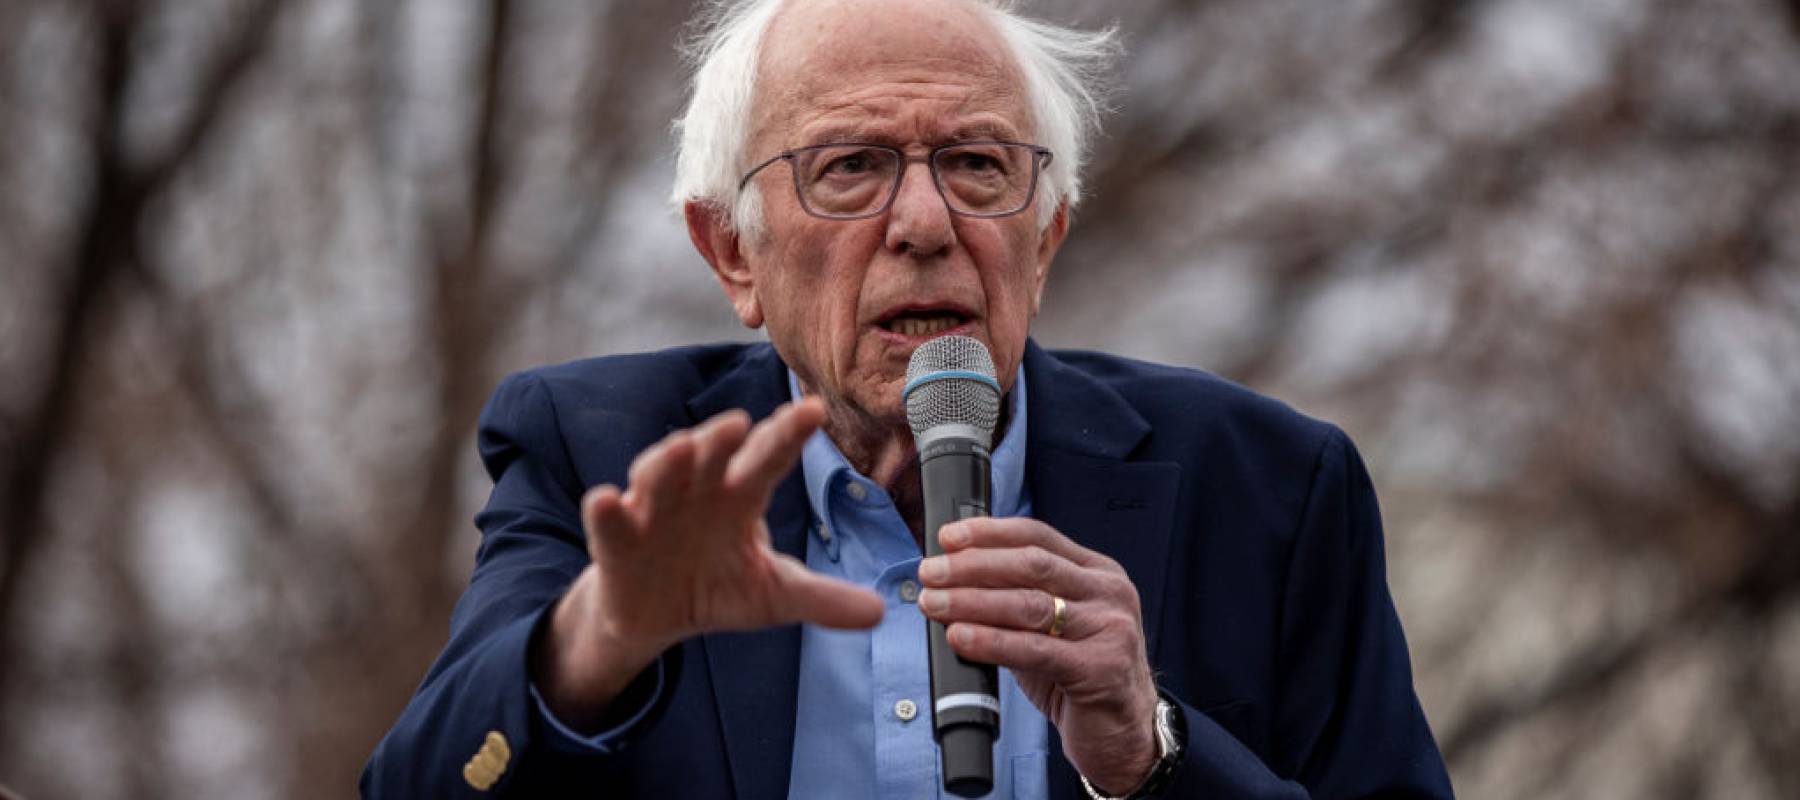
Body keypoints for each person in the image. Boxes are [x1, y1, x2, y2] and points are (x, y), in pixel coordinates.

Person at [362, 0, 1454, 797]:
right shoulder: (602, 454)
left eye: (978, 164)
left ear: (1045, 240)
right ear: (731, 251)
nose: (925, 221)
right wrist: (601, 634)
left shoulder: (1266, 490)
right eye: (852, 166)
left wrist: (1151, 749)